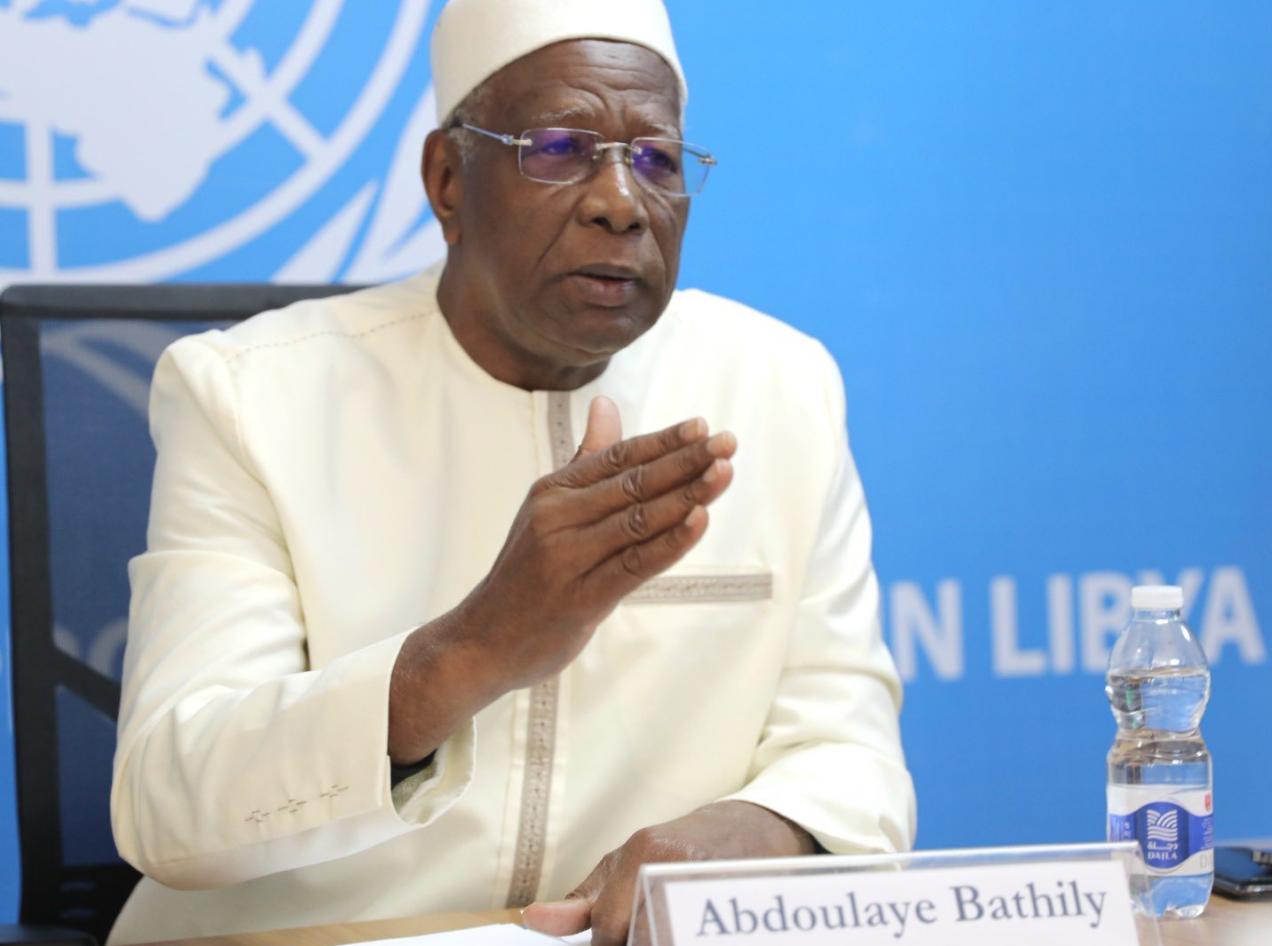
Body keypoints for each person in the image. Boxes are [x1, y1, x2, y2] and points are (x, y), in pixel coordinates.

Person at [107, 1, 915, 943]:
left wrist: (761, 831)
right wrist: (478, 646)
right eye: (560, 148)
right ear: (447, 181)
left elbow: (850, 754)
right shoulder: (251, 396)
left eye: (657, 160)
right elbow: (168, 804)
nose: (622, 202)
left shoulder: (778, 388)